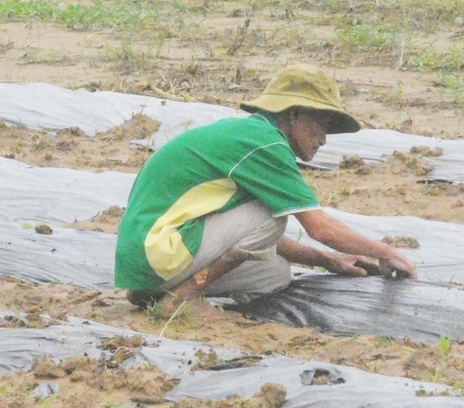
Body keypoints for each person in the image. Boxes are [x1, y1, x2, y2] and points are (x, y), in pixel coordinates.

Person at [115, 64, 415, 305]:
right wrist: (385, 252)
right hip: (156, 251)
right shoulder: (265, 144)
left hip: (145, 261)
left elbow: (244, 235)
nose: (324, 138)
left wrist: (328, 261)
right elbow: (319, 228)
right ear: (294, 114)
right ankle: (186, 295)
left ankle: (153, 293)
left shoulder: (247, 136)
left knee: (273, 274)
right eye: (321, 124)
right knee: (271, 215)